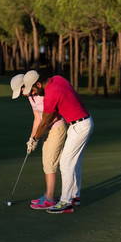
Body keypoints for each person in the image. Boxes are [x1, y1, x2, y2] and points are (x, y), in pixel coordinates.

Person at [22, 70, 94, 214]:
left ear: (38, 83)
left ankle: (65, 202)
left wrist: (34, 139)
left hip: (79, 126)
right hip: (83, 121)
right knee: (75, 162)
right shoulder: (57, 78)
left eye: (34, 89)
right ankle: (75, 196)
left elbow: (45, 122)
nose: (34, 93)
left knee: (66, 163)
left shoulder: (51, 95)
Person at [10, 73, 67, 209]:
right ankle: (47, 194)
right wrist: (31, 138)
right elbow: (37, 118)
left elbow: (52, 117)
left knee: (50, 162)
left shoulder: (43, 93)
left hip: (56, 128)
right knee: (46, 162)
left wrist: (37, 137)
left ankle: (50, 198)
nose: (22, 94)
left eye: (22, 90)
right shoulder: (31, 97)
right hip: (45, 130)